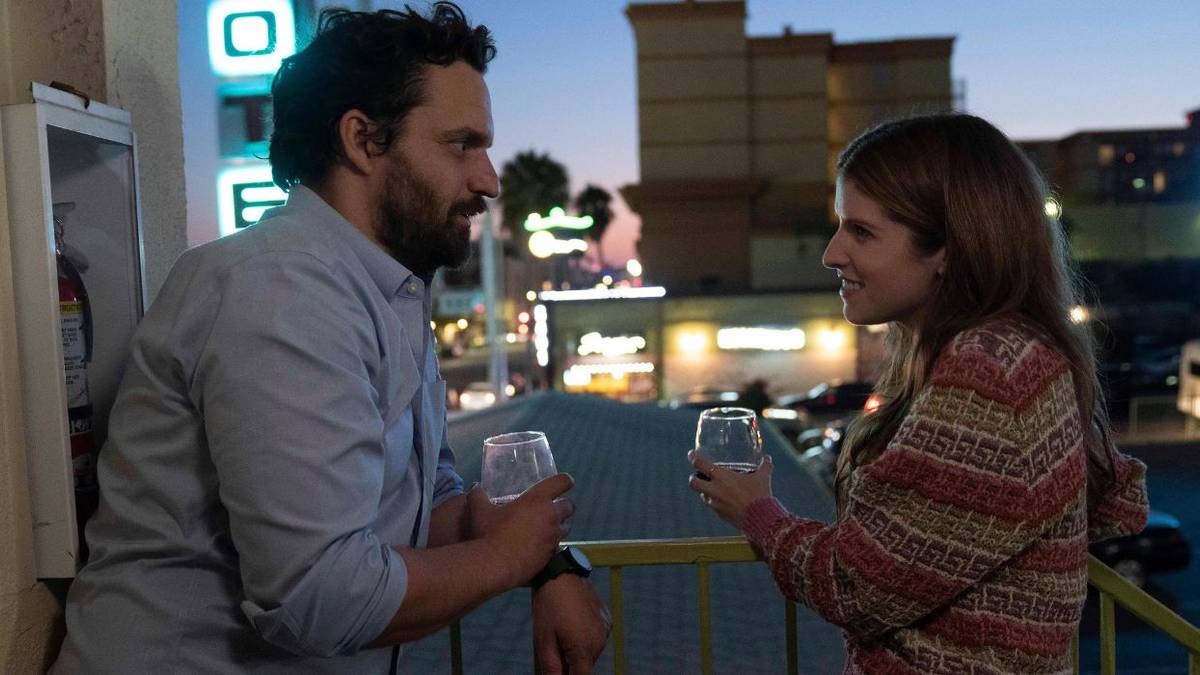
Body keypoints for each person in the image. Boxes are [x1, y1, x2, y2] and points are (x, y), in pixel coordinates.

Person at [52, 5, 608, 673]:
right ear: (362, 140)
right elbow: (320, 598)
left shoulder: (382, 289)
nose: (488, 180)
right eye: (461, 145)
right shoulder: (281, 292)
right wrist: (507, 559)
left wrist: (539, 559)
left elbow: (420, 502)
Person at [688, 113, 1149, 674]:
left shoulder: (991, 372)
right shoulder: (984, 354)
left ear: (949, 248)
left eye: (861, 232)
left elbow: (859, 585)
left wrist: (757, 511)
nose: (832, 253)